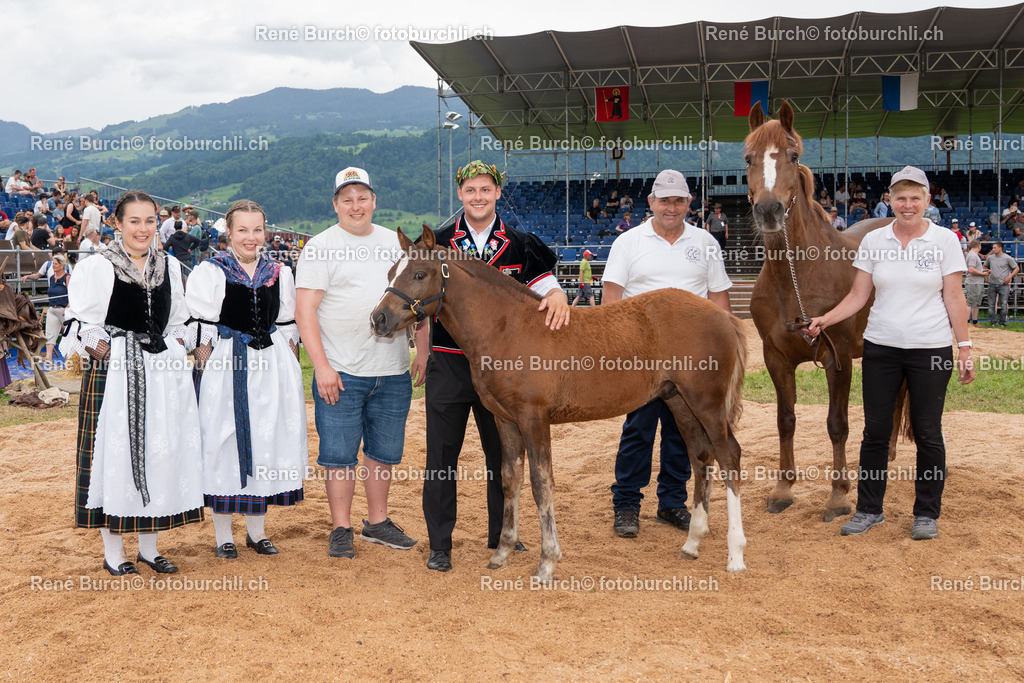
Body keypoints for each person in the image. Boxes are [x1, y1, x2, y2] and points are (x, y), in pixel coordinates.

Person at [412, 160, 570, 572]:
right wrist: (422, 349)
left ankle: (504, 532)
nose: (478, 197)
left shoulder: (519, 243)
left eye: (486, 189)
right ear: (460, 194)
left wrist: (557, 295)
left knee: (503, 453)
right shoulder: (437, 241)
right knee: (441, 457)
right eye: (470, 190)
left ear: (498, 193)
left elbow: (545, 283)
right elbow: (415, 292)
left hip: (507, 370)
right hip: (449, 364)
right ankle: (440, 543)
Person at [808, 166, 973, 541]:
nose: (908, 204)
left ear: (928, 201)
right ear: (890, 200)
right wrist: (824, 319)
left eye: (916, 198)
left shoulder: (945, 241)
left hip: (930, 348)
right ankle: (869, 510)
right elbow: (858, 296)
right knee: (876, 433)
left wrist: (964, 347)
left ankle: (926, 514)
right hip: (881, 348)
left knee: (929, 433)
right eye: (901, 197)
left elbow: (954, 296)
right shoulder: (874, 242)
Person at [59, 190, 204, 575]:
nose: (143, 229)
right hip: (114, 372)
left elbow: (177, 321)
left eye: (150, 221)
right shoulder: (99, 266)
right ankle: (113, 551)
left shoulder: (169, 266)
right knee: (114, 455)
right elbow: (79, 321)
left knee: (158, 452)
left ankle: (149, 548)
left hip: (160, 374)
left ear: (159, 223)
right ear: (117, 224)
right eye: (134, 221)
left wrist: (177, 344)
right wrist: (100, 345)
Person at [295, 167, 418, 560]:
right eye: (347, 199)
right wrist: (322, 367)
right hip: (341, 371)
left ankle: (377, 523)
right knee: (339, 455)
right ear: (335, 204)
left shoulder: (396, 243)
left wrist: (425, 351)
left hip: (393, 368)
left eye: (362, 197)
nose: (355, 205)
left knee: (383, 452)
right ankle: (341, 527)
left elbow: (422, 297)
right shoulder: (319, 246)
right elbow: (305, 312)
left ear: (374, 201)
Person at [602, 169, 731, 538]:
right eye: (664, 200)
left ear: (689, 203)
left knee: (682, 431)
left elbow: (718, 299)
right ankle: (626, 503)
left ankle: (671, 503)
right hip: (641, 356)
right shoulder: (628, 242)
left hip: (691, 358)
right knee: (638, 430)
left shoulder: (706, 242)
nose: (671, 207)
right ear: (651, 203)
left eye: (679, 200)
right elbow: (611, 299)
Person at [187, 200, 305, 559]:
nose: (251, 237)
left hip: (271, 366)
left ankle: (257, 532)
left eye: (257, 229)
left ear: (265, 232)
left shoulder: (279, 272)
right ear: (228, 232)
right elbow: (202, 326)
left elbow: (286, 326)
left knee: (267, 438)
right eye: (242, 230)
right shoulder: (211, 271)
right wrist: (203, 375)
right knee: (224, 440)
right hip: (227, 365)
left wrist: (291, 375)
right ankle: (223, 535)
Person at [21, 253, 70, 365]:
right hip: (52, 308)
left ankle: (70, 356)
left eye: (56, 264)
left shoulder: (67, 277)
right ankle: (48, 357)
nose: (53, 266)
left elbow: (72, 293)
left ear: (62, 265)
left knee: (68, 333)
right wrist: (28, 276)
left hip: (64, 310)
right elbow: (36, 276)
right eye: (53, 264)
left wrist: (67, 307)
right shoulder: (52, 277)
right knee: (50, 334)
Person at [984, 242, 1019, 327]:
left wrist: (1009, 277)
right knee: (991, 304)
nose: (993, 249)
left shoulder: (1007, 258)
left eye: (995, 248)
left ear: (1000, 248)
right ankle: (993, 321)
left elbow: (1016, 268)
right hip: (992, 283)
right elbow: (984, 266)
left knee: (1003, 304)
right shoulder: (990, 258)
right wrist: (987, 272)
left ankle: (1002, 321)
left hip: (1003, 284)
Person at [964, 239, 988, 325]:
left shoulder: (973, 255)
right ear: (979, 246)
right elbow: (971, 269)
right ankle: (967, 321)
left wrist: (983, 271)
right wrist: (982, 274)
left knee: (976, 303)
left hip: (977, 282)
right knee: (970, 302)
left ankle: (974, 321)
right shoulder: (973, 256)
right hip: (973, 282)